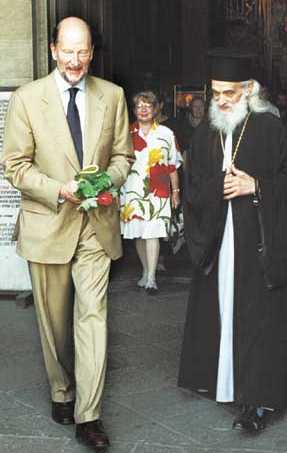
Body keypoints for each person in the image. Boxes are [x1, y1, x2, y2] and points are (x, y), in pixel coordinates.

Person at [1, 16, 133, 450]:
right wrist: (60, 189)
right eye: (68, 51)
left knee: (93, 318)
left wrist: (105, 182)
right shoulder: (26, 98)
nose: (76, 61)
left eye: (84, 52)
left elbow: (122, 155)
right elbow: (15, 166)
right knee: (56, 326)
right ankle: (62, 389)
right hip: (48, 224)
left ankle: (88, 415)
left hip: (96, 227)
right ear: (54, 49)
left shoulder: (112, 96)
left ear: (92, 52)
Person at [178, 50, 287, 432]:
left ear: (249, 90)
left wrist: (255, 185)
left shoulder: (272, 128)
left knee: (256, 317)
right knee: (220, 308)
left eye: (229, 93)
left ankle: (255, 400)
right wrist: (214, 191)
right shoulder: (206, 131)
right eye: (216, 93)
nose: (221, 100)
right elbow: (192, 186)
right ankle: (222, 381)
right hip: (218, 240)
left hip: (257, 242)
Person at [120, 91, 182, 293]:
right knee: (138, 233)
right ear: (134, 110)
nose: (144, 109)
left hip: (159, 190)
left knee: (153, 232)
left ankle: (152, 279)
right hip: (133, 190)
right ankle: (146, 271)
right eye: (139, 106)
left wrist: (176, 191)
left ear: (156, 109)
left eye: (148, 106)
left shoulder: (166, 134)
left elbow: (173, 165)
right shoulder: (126, 134)